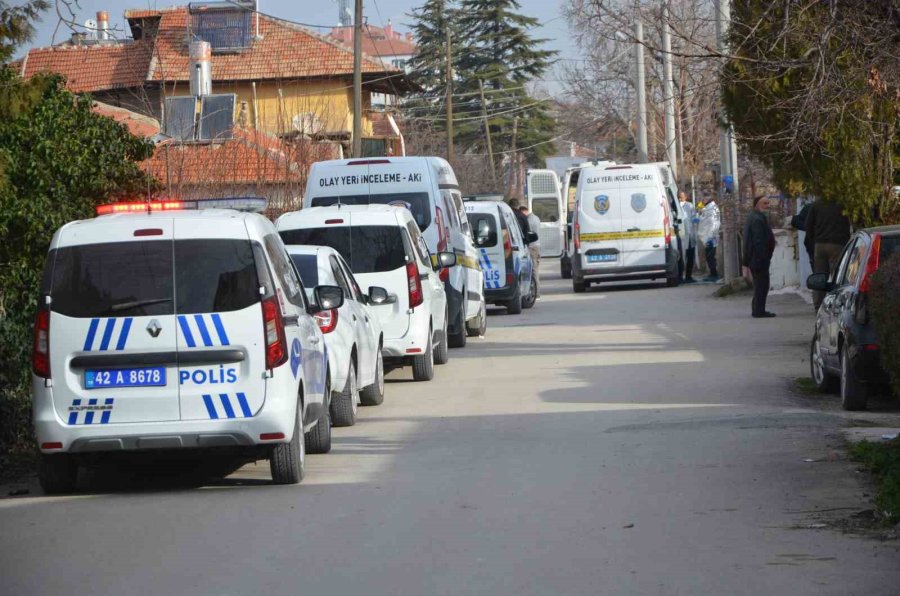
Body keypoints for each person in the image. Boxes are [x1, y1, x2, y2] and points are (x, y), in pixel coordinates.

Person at [805, 199, 851, 310]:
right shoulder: (842, 203)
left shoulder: (816, 205)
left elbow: (808, 225)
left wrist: (814, 241)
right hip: (837, 244)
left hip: (820, 245)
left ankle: (818, 306)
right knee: (838, 277)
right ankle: (838, 306)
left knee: (819, 278)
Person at [742, 195, 777, 318]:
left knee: (760, 285)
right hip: (758, 258)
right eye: (765, 203)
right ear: (757, 205)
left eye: (768, 203)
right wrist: (763, 257)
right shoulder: (757, 219)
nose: (767, 206)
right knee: (762, 285)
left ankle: (757, 309)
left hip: (756, 257)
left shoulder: (756, 217)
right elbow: (758, 241)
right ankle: (759, 311)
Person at [518, 205, 542, 300]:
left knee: (533, 270)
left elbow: (527, 235)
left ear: (523, 211)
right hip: (537, 246)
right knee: (535, 269)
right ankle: (536, 292)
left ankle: (536, 293)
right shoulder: (536, 218)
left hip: (532, 247)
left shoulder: (529, 220)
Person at [696, 199, 721, 281]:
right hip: (710, 236)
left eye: (703, 199)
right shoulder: (709, 207)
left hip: (711, 236)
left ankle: (714, 274)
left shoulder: (712, 208)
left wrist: (710, 237)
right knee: (709, 256)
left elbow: (713, 223)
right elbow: (701, 212)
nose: (702, 201)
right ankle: (712, 273)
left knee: (710, 256)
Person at [677, 191, 697, 283]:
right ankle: (680, 276)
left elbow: (694, 217)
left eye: (682, 196)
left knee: (690, 256)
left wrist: (696, 218)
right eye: (679, 197)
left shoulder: (690, 206)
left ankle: (689, 276)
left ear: (685, 197)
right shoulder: (676, 206)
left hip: (689, 234)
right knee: (680, 257)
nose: (681, 198)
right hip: (680, 236)